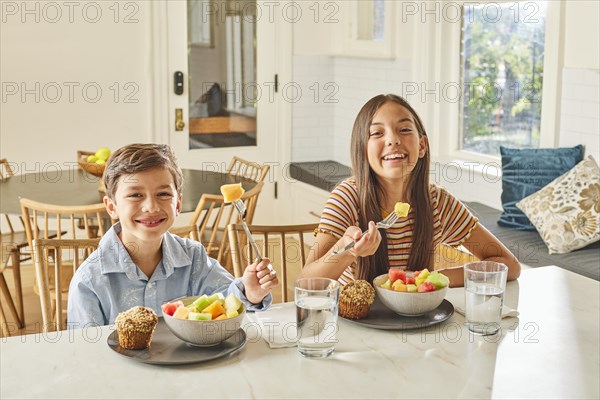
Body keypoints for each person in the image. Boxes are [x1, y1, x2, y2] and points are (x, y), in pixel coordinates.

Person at [300, 94, 520, 287]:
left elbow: (509, 265)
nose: (393, 140)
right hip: (356, 324)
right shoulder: (347, 198)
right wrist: (349, 250)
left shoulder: (438, 202)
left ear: (422, 146)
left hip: (417, 321)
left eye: (404, 130)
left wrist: (440, 278)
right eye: (377, 133)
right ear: (362, 149)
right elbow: (307, 281)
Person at [68, 143, 278, 327]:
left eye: (163, 194)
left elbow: (224, 300)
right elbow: (85, 355)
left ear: (177, 204)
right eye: (135, 195)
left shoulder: (193, 258)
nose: (151, 207)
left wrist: (249, 292)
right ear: (112, 207)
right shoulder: (89, 281)